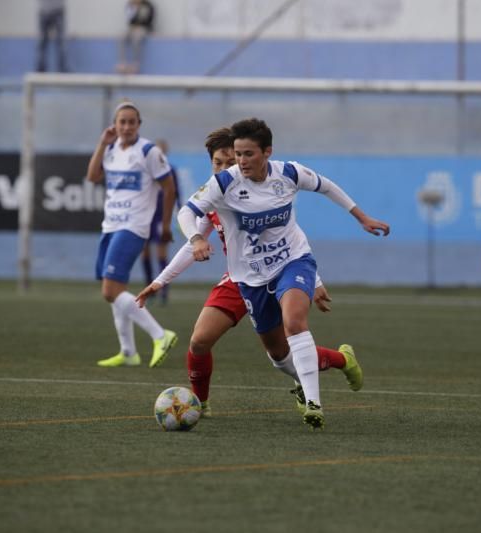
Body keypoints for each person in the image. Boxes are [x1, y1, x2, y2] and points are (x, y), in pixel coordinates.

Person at [176, 118, 390, 430]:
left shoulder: (289, 173)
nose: (241, 161)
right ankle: (341, 359)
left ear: (267, 152)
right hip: (250, 278)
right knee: (278, 355)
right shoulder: (225, 183)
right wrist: (195, 239)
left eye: (248, 154)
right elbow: (186, 212)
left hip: (293, 261)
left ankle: (314, 403)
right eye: (238, 154)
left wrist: (361, 217)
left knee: (294, 321)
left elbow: (326, 185)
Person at [136, 127, 364, 418]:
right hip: (239, 279)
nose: (224, 168)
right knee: (201, 341)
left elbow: (288, 235)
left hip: (278, 270)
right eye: (217, 162)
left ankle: (325, 375)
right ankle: (201, 404)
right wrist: (159, 282)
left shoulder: (260, 188)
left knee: (290, 335)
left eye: (229, 161)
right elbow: (190, 244)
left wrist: (314, 280)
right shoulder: (216, 194)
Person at [85, 101, 178, 368]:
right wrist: (102, 144)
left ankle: (161, 335)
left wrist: (166, 224)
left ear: (139, 124)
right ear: (115, 124)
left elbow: (169, 189)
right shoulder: (111, 149)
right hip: (110, 225)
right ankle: (128, 352)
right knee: (117, 290)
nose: (126, 127)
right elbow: (92, 177)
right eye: (121, 122)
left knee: (109, 290)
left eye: (131, 122)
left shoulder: (149, 151)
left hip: (134, 226)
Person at [140, 138, 181, 303]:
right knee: (145, 251)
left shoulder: (171, 171)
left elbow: (176, 193)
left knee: (161, 252)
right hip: (145, 216)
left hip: (161, 216)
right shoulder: (146, 171)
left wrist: (178, 212)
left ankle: (164, 290)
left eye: (163, 151)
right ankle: (150, 289)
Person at [116, 0, 155, 74]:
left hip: (144, 28)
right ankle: (122, 63)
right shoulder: (130, 5)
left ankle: (135, 64)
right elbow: (129, 19)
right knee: (122, 37)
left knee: (136, 38)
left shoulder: (148, 5)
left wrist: (139, 10)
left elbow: (148, 19)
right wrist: (134, 8)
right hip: (133, 28)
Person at [36, 0, 68, 73]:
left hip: (57, 9)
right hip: (44, 10)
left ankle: (62, 69)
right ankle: (40, 68)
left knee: (61, 42)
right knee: (42, 42)